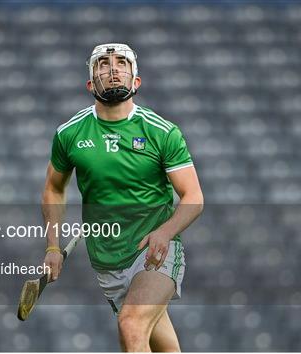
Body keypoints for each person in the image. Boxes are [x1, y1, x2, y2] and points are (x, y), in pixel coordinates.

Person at [41, 43, 203, 352]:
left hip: (154, 252)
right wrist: (52, 245)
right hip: (106, 257)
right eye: (103, 63)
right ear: (90, 82)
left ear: (136, 81)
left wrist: (166, 232)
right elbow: (53, 187)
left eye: (121, 63)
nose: (113, 68)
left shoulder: (162, 132)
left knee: (131, 324)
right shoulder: (70, 133)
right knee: (161, 344)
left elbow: (193, 195)